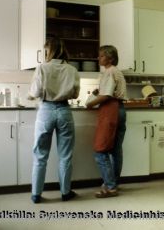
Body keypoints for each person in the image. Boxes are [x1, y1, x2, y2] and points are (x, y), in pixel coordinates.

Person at [29, 37, 80, 204]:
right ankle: (65, 193)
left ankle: (36, 194)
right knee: (65, 156)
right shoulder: (72, 70)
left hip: (46, 111)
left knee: (40, 155)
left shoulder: (42, 68)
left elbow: (36, 92)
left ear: (49, 51)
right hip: (64, 110)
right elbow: (75, 94)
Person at [86, 45, 127, 198]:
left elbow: (107, 96)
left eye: (101, 56)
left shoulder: (109, 72)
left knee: (100, 150)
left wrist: (90, 103)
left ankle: (110, 186)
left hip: (111, 110)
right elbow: (107, 92)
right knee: (116, 151)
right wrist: (98, 92)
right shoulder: (116, 72)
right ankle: (114, 183)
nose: (99, 58)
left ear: (110, 58)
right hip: (120, 110)